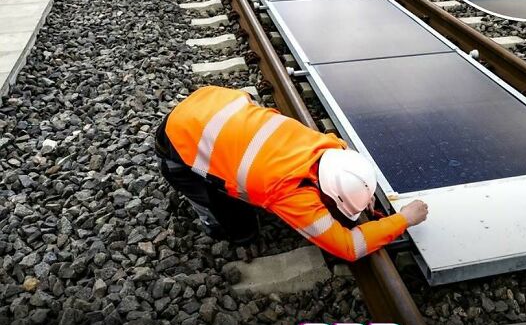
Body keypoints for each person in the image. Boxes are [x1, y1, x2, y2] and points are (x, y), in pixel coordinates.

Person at [155, 86, 429, 258]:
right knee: (229, 214)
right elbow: (350, 247)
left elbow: (342, 147)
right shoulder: (290, 191)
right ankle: (217, 224)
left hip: (215, 99)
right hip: (176, 138)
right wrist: (403, 219)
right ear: (325, 194)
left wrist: (361, 192)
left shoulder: (325, 146)